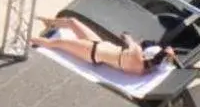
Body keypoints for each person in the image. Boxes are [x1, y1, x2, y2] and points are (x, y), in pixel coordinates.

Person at [31, 17, 176, 74]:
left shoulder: (136, 52)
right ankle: (49, 22)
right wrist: (167, 55)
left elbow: (126, 36)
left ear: (146, 55)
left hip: (92, 51)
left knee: (55, 43)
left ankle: (27, 37)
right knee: (72, 22)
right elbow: (159, 62)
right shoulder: (142, 71)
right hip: (97, 45)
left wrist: (131, 39)